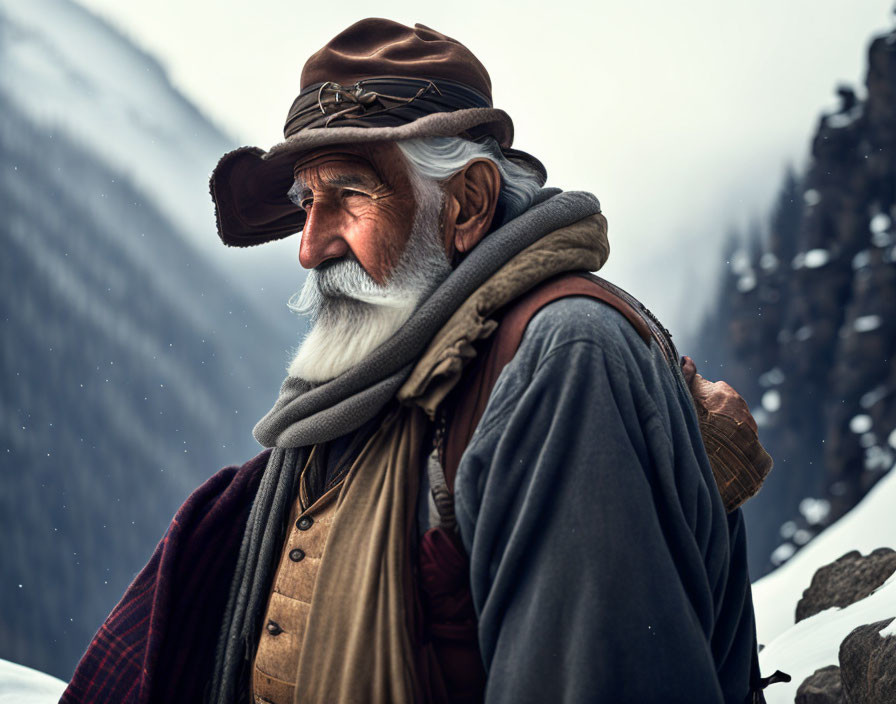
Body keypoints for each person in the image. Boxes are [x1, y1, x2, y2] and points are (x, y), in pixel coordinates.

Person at [61, 18, 769, 704]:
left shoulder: (567, 359)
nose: (309, 247)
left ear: (467, 204)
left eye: (348, 196)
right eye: (307, 202)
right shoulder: (377, 377)